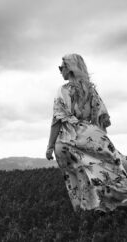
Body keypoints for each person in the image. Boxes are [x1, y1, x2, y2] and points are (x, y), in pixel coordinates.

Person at [46, 53, 127, 213]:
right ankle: (111, 203)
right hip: (90, 133)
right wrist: (98, 138)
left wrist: (49, 146)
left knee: (77, 175)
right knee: (109, 166)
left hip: (68, 138)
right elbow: (100, 118)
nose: (60, 71)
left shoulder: (63, 90)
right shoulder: (90, 90)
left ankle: (87, 212)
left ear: (69, 69)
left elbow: (57, 120)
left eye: (61, 67)